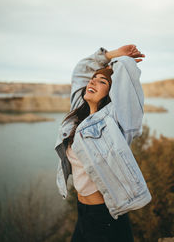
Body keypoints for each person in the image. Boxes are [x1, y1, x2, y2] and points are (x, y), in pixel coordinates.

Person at [55, 45, 152, 242]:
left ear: (111, 93)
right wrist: (111, 54)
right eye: (93, 79)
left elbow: (126, 70)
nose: (93, 82)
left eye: (102, 82)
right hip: (83, 212)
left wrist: (122, 60)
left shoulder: (117, 124)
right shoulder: (77, 115)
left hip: (105, 217)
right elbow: (81, 70)